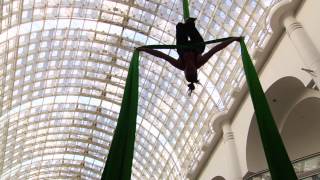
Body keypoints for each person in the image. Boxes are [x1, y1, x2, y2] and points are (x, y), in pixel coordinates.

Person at [137, 18, 242, 95]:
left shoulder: (180, 64)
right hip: (197, 45)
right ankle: (190, 26)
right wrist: (232, 40)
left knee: (179, 26)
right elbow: (216, 49)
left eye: (188, 69)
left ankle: (186, 27)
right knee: (190, 27)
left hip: (183, 47)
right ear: (196, 70)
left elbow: (162, 56)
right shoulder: (199, 62)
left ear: (185, 71)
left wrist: (146, 50)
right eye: (193, 69)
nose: (190, 66)